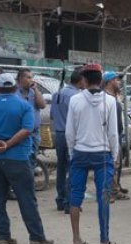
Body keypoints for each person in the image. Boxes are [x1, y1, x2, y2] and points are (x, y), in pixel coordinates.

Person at [0, 73, 53, 244]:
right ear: (14, 86)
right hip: (18, 158)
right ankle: (36, 237)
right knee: (26, 198)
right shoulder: (23, 106)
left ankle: (2, 237)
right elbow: (27, 129)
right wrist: (9, 144)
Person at [65, 63, 120, 244]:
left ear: (84, 80)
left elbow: (69, 132)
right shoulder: (111, 101)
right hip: (102, 154)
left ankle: (76, 239)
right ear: (101, 81)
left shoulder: (75, 100)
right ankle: (104, 240)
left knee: (75, 195)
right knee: (103, 196)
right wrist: (115, 154)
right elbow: (113, 133)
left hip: (80, 152)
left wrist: (72, 152)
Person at [50, 69, 84, 213]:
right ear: (80, 80)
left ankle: (60, 198)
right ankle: (69, 202)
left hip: (58, 134)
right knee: (73, 168)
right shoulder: (77, 96)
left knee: (61, 168)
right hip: (72, 135)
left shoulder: (57, 94)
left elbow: (52, 115)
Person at [102, 71, 129, 201]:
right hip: (109, 135)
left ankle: (115, 187)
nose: (118, 82)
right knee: (111, 163)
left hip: (118, 132)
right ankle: (110, 191)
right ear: (110, 81)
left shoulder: (115, 96)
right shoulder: (106, 97)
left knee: (116, 164)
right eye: (116, 80)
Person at [15, 68, 46, 161]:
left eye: (32, 77)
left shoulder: (34, 92)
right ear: (20, 79)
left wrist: (36, 89)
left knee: (32, 159)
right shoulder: (14, 93)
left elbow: (42, 105)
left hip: (34, 133)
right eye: (28, 77)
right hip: (20, 133)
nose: (31, 80)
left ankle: (31, 174)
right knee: (22, 159)